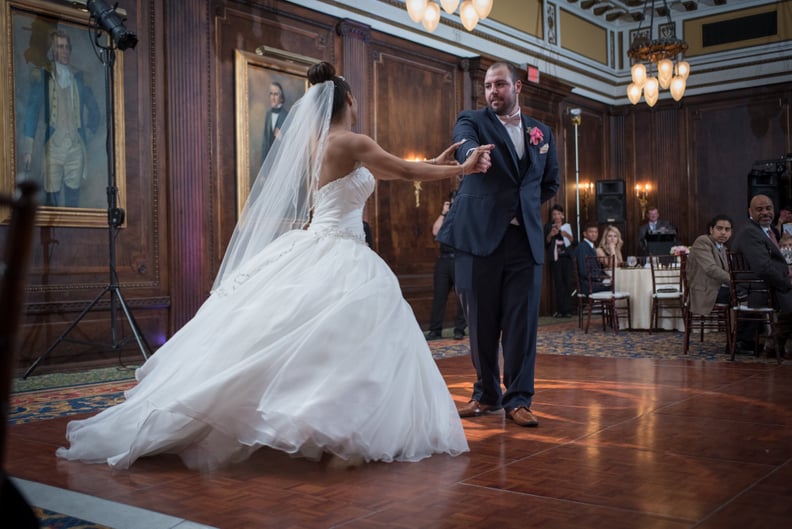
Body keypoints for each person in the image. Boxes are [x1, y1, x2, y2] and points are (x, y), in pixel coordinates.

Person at [56, 62, 494, 470]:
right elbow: (400, 169)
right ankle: (325, 426)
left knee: (302, 340)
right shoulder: (353, 142)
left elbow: (391, 172)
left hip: (321, 241)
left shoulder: (317, 144)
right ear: (347, 102)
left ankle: (314, 426)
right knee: (335, 344)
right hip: (340, 249)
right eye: (356, 100)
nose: (358, 107)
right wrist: (463, 169)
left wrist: (437, 165)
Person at [437, 61, 559, 428]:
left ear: (517, 87)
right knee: (481, 324)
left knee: (522, 324)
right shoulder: (472, 120)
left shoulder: (542, 132)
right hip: (479, 240)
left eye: (500, 85)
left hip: (525, 241)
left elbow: (549, 183)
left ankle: (519, 399)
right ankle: (485, 394)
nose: (493, 92)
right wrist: (473, 156)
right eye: (488, 86)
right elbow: (464, 146)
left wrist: (520, 207)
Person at [21, 30, 100, 207]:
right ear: (53, 51)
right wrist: (28, 149)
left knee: (73, 200)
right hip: (53, 146)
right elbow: (32, 111)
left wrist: (85, 134)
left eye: (67, 47)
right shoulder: (43, 77)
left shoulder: (80, 79)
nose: (65, 51)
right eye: (60, 47)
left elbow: (95, 111)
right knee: (52, 200)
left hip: (75, 147)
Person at [730, 194, 792, 354]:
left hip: (765, 285)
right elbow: (763, 267)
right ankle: (774, 344)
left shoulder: (765, 231)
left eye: (768, 208)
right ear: (750, 211)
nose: (765, 212)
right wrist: (786, 282)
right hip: (755, 290)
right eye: (759, 209)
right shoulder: (750, 232)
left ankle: (774, 344)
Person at [426, 192, 466, 340]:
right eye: (452, 202)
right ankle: (435, 330)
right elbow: (436, 231)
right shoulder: (445, 216)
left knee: (462, 298)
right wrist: (444, 213)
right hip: (443, 261)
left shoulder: (466, 216)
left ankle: (459, 329)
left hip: (460, 260)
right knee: (439, 297)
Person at [687, 214, 733, 315]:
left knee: (750, 294)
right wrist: (735, 280)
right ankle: (742, 330)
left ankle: (743, 329)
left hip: (719, 288)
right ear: (711, 229)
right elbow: (710, 269)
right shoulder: (703, 241)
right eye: (719, 228)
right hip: (705, 291)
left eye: (727, 229)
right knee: (745, 295)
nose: (723, 232)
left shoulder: (723, 248)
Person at [543, 204, 574, 317]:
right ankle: (560, 310)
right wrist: (550, 235)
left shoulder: (567, 226)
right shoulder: (548, 227)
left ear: (563, 215)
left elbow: (573, 242)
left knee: (568, 284)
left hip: (567, 258)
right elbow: (545, 243)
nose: (556, 216)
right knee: (558, 284)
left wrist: (566, 235)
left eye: (558, 214)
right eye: (554, 214)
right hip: (555, 259)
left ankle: (568, 310)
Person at [575, 222, 610, 295]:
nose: (594, 234)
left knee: (615, 284)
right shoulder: (582, 247)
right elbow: (584, 272)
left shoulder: (591, 246)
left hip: (594, 282)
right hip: (588, 285)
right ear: (584, 234)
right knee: (616, 287)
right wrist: (601, 278)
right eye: (591, 232)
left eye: (596, 232)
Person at [262, 82, 288, 159]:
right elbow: (265, 141)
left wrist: (281, 138)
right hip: (269, 160)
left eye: (276, 94)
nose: (273, 98)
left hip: (281, 159)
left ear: (281, 97)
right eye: (271, 94)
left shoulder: (286, 115)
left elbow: (293, 143)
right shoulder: (268, 114)